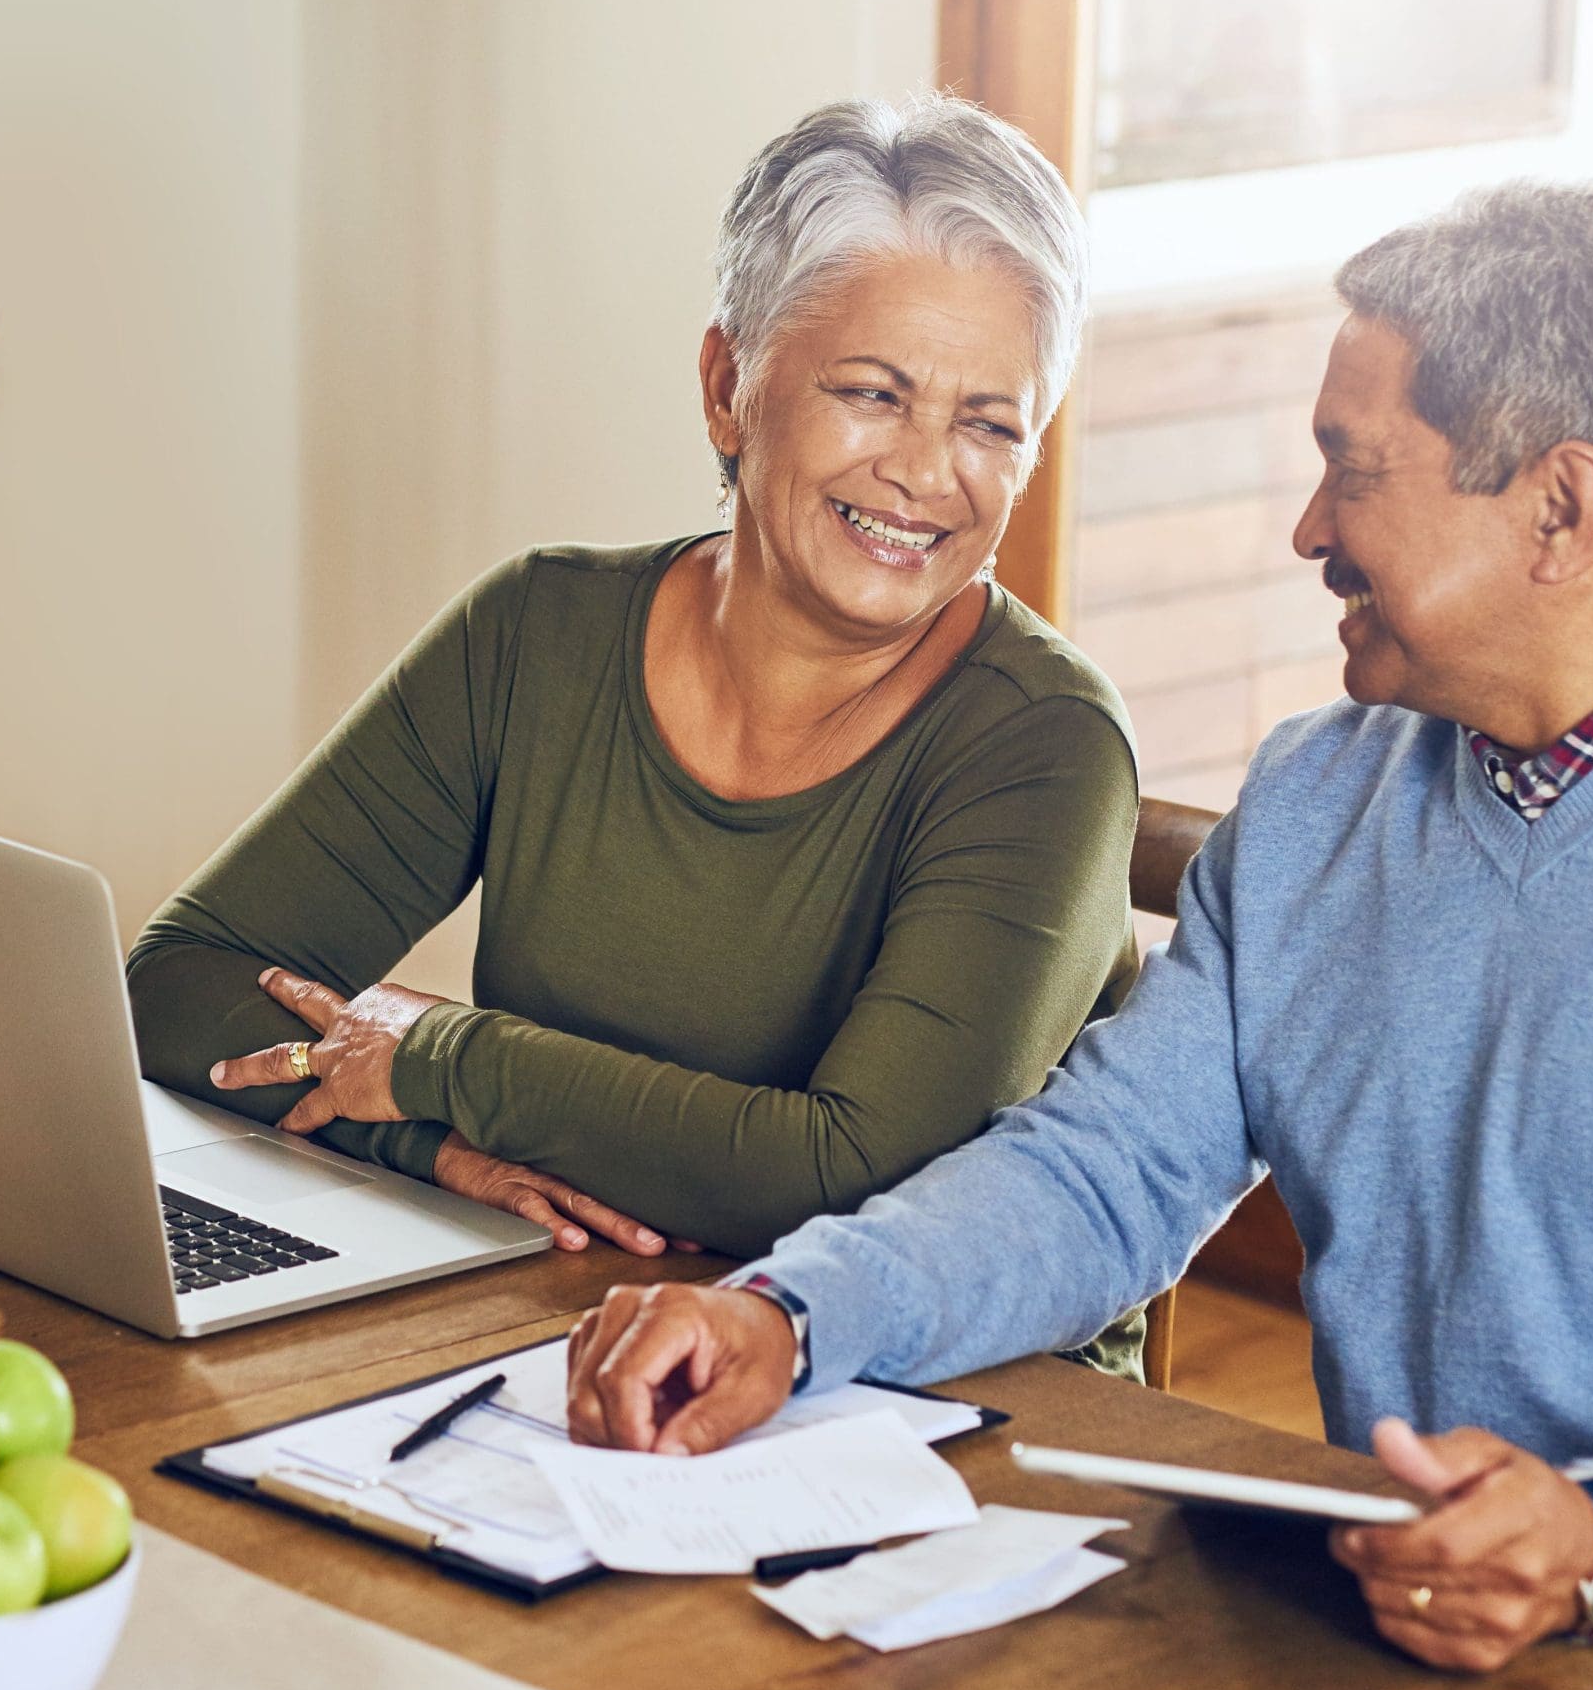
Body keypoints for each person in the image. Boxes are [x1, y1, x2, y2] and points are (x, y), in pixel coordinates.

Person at [565, 175, 1593, 1670]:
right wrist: (793, 1312)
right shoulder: (1317, 796)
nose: (1308, 527)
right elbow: (1101, 1177)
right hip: (1393, 1641)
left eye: (1349, 466)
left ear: (1559, 507)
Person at [128, 97, 1146, 1306]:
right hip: (567, 1314)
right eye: (873, 393)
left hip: (926, 1388)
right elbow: (180, 985)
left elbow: (858, 1175)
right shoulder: (536, 633)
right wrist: (423, 1140)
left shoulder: (1045, 747)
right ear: (727, 384)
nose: (926, 473)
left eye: (988, 423)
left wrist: (443, 1057)